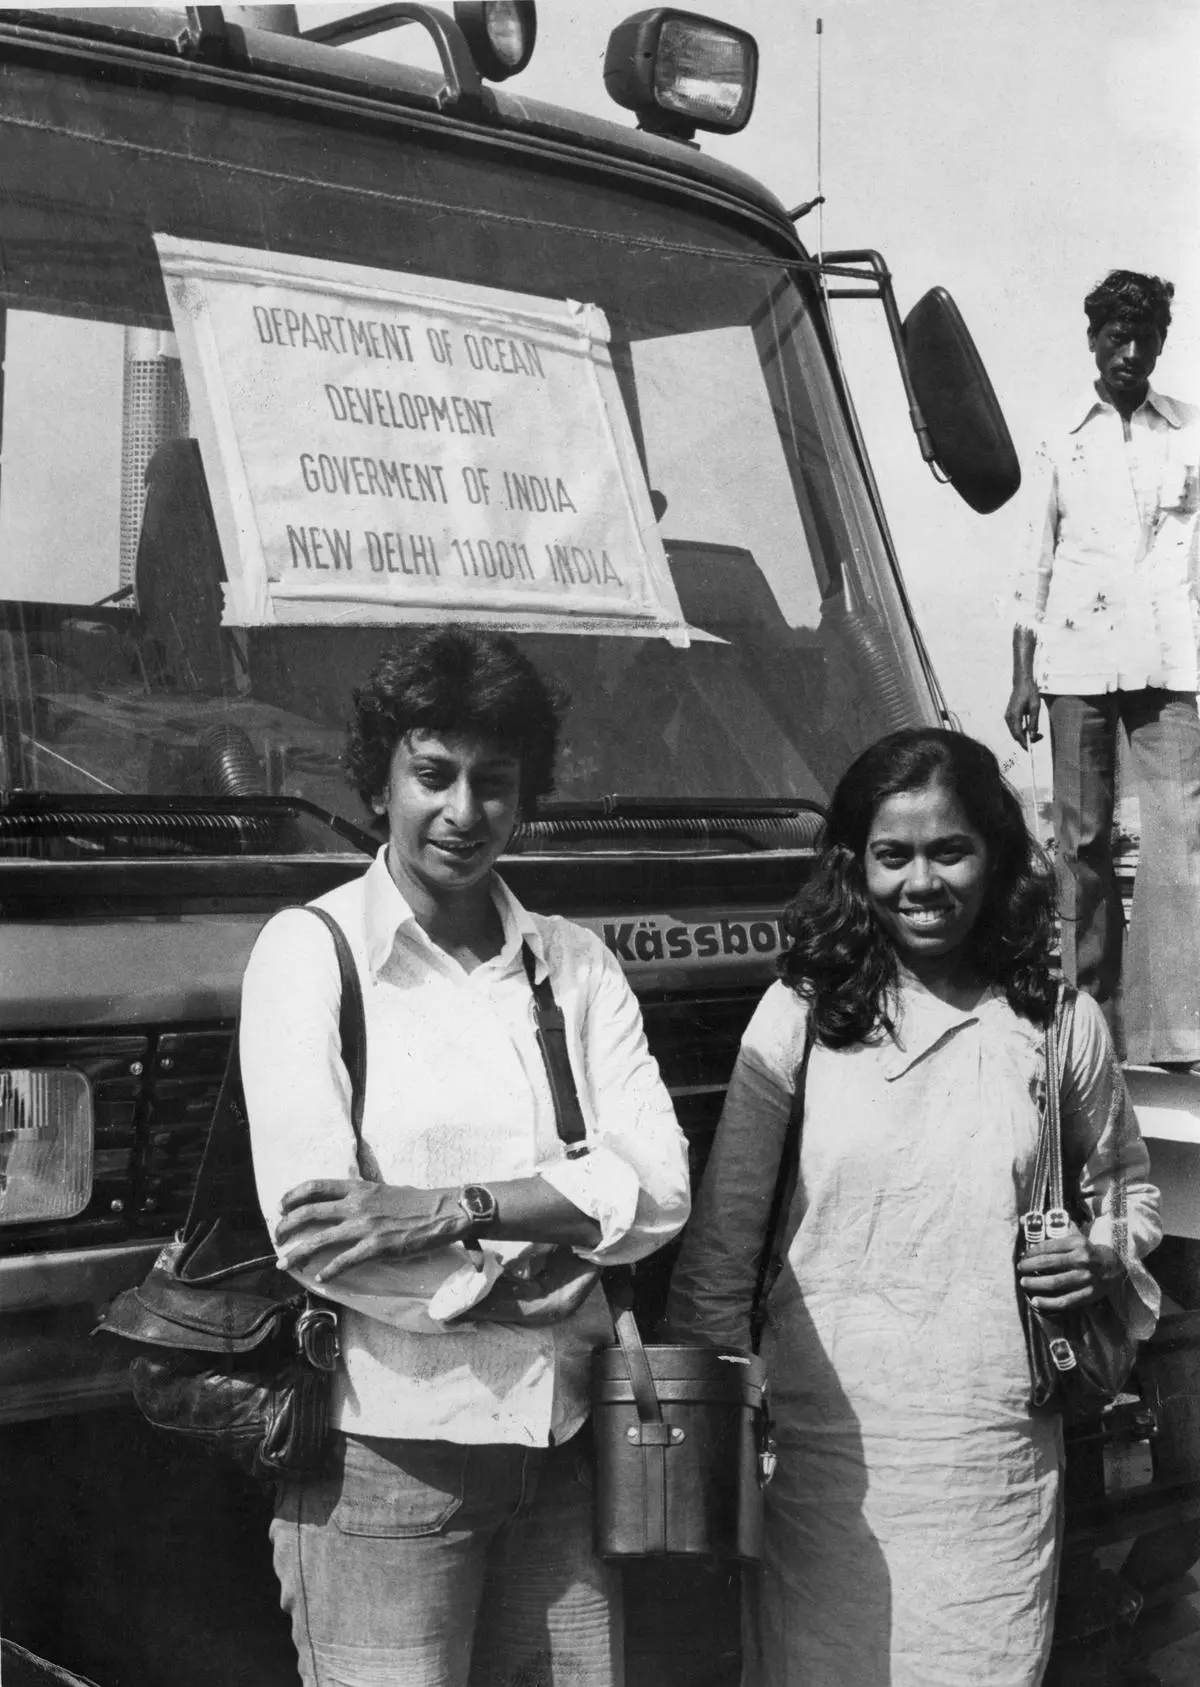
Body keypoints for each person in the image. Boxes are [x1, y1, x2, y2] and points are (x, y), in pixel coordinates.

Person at [239, 625, 691, 1687]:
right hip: (386, 1466)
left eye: (495, 782)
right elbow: (319, 1232)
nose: (462, 811)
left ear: (525, 798)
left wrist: (449, 1210)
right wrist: (550, 1246)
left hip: (563, 1459)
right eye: (432, 775)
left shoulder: (572, 963)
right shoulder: (313, 951)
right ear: (380, 780)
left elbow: (662, 1186)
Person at [665, 728, 1161, 1687]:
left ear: (998, 859)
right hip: (820, 1465)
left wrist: (1101, 1255)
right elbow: (723, 1252)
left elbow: (1130, 1193)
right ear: (855, 868)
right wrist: (708, 1446)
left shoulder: (1059, 1024)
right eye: (893, 857)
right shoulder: (800, 1014)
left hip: (992, 1459)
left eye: (950, 851)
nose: (922, 882)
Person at [1005, 269, 1200, 1066]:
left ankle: (1179, 1028)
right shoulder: (1060, 431)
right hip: (1077, 657)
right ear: (1092, 341)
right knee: (1081, 845)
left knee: (1181, 838)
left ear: (1160, 341)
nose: (1130, 351)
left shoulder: (1186, 428)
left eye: (1144, 337)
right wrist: (1022, 673)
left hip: (1171, 658)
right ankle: (1092, 1022)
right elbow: (1034, 563)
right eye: (1116, 336)